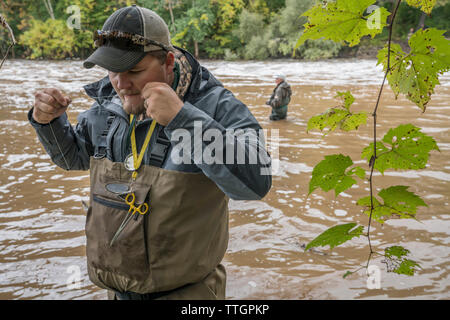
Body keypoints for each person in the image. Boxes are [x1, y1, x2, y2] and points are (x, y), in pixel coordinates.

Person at [29, 5, 271, 300]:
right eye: (113, 71)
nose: (120, 84)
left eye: (134, 70)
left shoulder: (217, 106)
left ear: (168, 63)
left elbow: (255, 184)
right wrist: (48, 123)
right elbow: (73, 158)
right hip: (116, 292)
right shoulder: (107, 102)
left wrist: (183, 119)